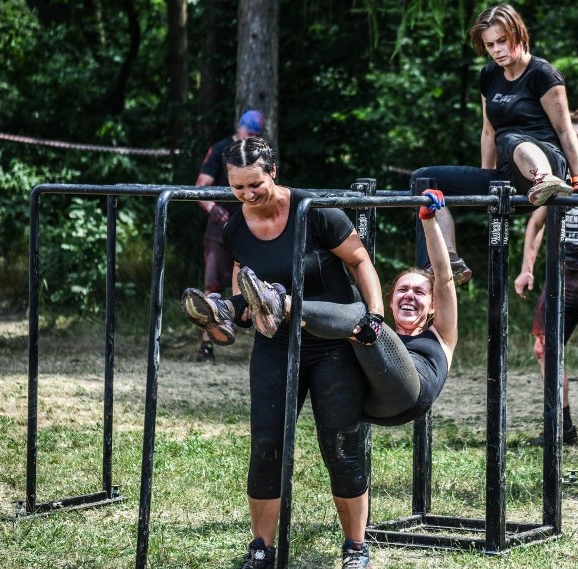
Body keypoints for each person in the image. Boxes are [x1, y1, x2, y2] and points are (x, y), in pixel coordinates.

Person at [181, 136, 383, 568]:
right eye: (237, 188)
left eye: (255, 184)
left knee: (340, 444)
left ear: (274, 171)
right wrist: (235, 311)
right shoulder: (234, 226)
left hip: (332, 342)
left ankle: (355, 547)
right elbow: (242, 278)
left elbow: (360, 261)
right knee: (267, 444)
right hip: (275, 341)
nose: (248, 195)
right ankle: (261, 548)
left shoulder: (315, 211)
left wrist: (375, 315)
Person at [184, 188, 458, 426]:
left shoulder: (442, 333)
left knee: (364, 318)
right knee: (347, 301)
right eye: (402, 290)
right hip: (366, 403)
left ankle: (280, 303)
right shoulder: (369, 331)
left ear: (433, 305)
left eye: (419, 292)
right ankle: (228, 310)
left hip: (409, 395)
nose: (409, 296)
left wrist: (428, 220)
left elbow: (444, 278)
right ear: (391, 299)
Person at [410, 3, 578, 281]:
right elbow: (488, 131)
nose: (496, 50)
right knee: (425, 179)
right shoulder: (489, 75)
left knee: (512, 139)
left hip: (548, 163)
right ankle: (446, 262)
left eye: (502, 41)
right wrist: (486, 177)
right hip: (508, 173)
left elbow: (565, 129)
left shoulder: (543, 74)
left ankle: (544, 180)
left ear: (518, 34)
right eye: (490, 44)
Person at [514, 108, 578, 446]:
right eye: (573, 140)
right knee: (544, 347)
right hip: (563, 277)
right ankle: (562, 426)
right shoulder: (561, 176)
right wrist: (526, 269)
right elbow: (536, 223)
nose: (577, 146)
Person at [193, 109, 265, 363]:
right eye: (249, 131)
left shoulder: (258, 152)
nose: (251, 136)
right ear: (239, 127)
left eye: (256, 133)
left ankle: (266, 342)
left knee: (258, 283)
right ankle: (206, 346)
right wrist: (215, 210)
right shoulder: (221, 149)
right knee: (212, 284)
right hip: (220, 226)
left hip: (251, 225)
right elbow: (202, 185)